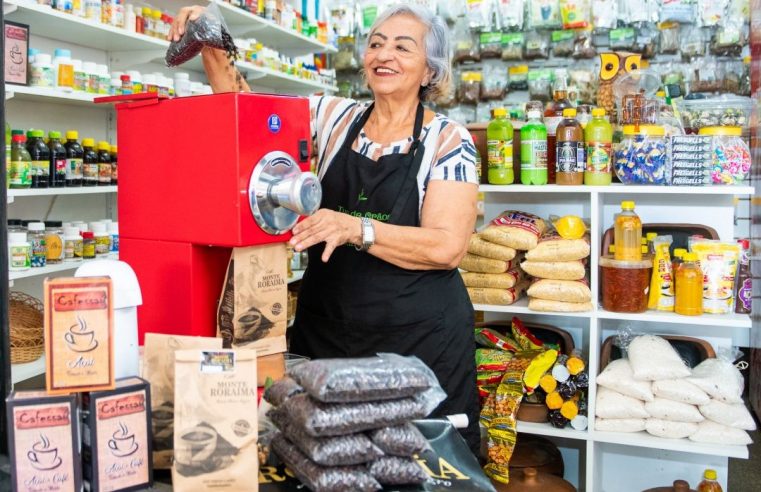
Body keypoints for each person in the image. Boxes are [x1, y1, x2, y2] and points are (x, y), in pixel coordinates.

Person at [170, 4, 481, 453]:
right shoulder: (332, 117)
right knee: (321, 460)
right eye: (376, 43)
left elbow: (447, 247)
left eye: (401, 46)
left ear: (430, 69)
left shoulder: (449, 140)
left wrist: (356, 228)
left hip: (419, 343)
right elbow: (248, 113)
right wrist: (213, 40)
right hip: (329, 335)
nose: (383, 54)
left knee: (421, 466)